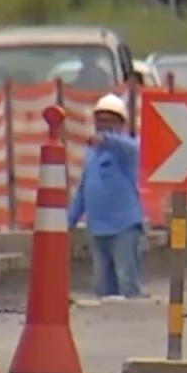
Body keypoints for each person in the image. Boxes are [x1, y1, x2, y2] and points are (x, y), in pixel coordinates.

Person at [67, 95, 146, 302]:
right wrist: (69, 221)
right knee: (103, 289)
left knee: (127, 284)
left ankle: (133, 325)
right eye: (100, 119)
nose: (103, 124)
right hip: (97, 228)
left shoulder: (128, 149)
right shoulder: (91, 153)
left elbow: (132, 148)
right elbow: (83, 189)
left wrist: (107, 140)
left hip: (124, 226)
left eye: (109, 119)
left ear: (120, 122)